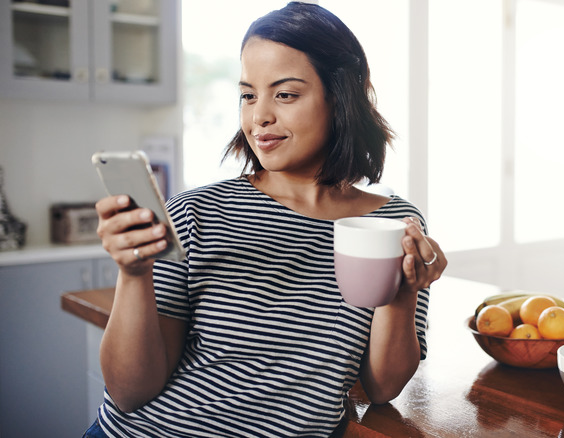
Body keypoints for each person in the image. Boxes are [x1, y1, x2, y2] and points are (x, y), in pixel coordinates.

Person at [84, 2, 446, 437]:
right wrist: (134, 273)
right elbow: (129, 393)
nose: (259, 117)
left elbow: (382, 387)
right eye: (248, 95)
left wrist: (404, 295)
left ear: (342, 96)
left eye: (285, 94)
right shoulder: (194, 212)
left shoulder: (394, 223)